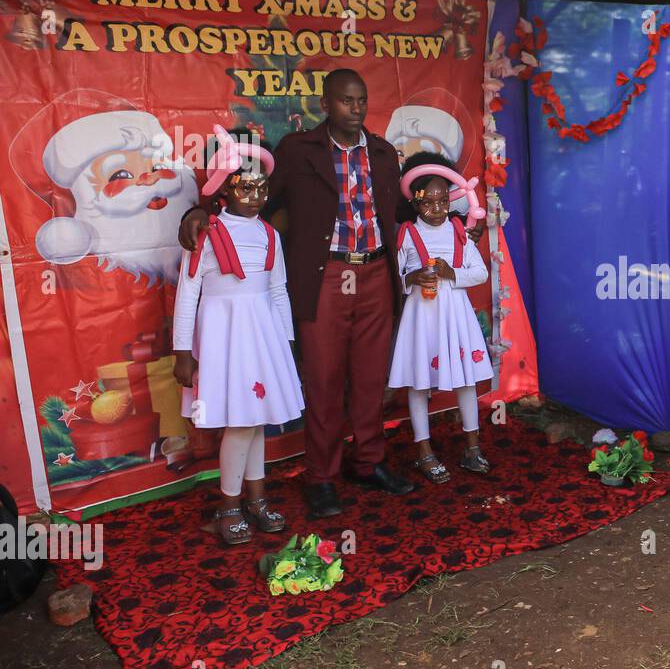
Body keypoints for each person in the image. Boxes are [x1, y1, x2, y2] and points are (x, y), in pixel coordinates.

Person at [179, 70, 485, 517]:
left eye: (361, 100)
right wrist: (197, 210)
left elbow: (405, 211)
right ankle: (321, 476)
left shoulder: (382, 153)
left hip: (376, 270)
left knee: (369, 376)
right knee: (322, 378)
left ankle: (369, 462)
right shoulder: (298, 151)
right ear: (326, 104)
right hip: (325, 274)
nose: (355, 108)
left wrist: (461, 223)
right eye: (345, 100)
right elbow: (254, 195)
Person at [172, 129, 303, 545]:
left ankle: (257, 499)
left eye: (262, 186)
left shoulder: (270, 235)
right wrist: (182, 352)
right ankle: (229, 506)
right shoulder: (205, 232)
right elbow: (187, 293)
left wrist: (286, 343)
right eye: (246, 185)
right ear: (225, 187)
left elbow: (278, 289)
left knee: (256, 421)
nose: (256, 194)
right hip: (224, 339)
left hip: (262, 337)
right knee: (240, 425)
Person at [388, 154, 494, 481]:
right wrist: (412, 278)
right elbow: (396, 275)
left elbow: (480, 273)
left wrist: (453, 273)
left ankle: (472, 446)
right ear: (414, 202)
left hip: (456, 315)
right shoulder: (407, 233)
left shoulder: (459, 231)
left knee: (465, 378)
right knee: (420, 383)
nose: (436, 209)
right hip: (422, 315)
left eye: (443, 200)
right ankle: (424, 451)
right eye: (428, 202)